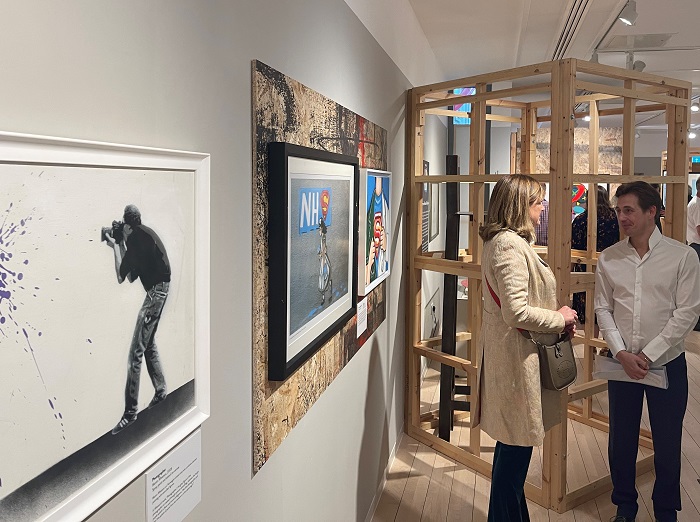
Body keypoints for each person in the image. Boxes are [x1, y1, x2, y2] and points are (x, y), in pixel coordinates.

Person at [595, 181, 700, 522]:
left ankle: (665, 510)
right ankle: (625, 506)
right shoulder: (609, 258)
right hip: (621, 364)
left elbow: (687, 312)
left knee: (667, 443)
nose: (621, 217)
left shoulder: (682, 256)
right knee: (621, 441)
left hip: (666, 363)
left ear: (651, 211)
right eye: (618, 210)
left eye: (629, 210)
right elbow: (603, 309)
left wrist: (649, 354)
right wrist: (622, 352)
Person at [475, 175, 577, 521]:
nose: (542, 207)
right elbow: (515, 311)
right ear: (520, 205)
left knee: (512, 452)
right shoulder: (507, 246)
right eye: (537, 201)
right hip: (517, 363)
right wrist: (559, 318)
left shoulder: (506, 242)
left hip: (515, 360)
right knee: (513, 461)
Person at [105, 204, 171, 435]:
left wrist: (115, 245)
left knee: (136, 352)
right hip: (161, 289)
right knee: (148, 343)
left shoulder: (134, 239)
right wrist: (121, 242)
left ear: (128, 226)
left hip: (155, 293)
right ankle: (161, 390)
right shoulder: (143, 234)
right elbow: (133, 275)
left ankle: (130, 413)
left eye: (123, 226)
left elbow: (122, 277)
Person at [571, 185, 619, 327]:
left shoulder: (581, 219)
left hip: (585, 266)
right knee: (609, 305)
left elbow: (573, 246)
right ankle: (606, 344)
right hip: (612, 265)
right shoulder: (615, 218)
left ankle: (590, 346)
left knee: (588, 308)